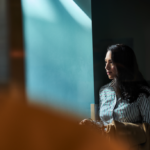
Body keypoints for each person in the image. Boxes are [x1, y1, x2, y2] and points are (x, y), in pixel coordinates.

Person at [80, 44, 150, 129]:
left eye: (111, 62)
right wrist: (92, 124)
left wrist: (121, 130)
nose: (106, 67)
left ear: (124, 64)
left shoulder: (142, 93)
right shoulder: (104, 91)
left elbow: (148, 129)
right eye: (106, 62)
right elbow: (105, 124)